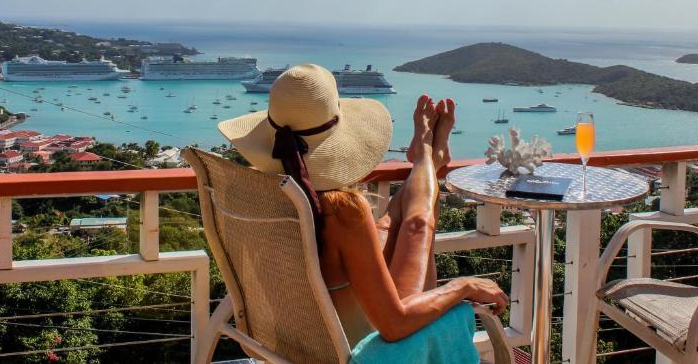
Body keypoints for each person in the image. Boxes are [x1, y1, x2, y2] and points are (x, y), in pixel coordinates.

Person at [218, 64, 508, 361]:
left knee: (387, 225)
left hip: (296, 344)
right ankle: (426, 160)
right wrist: (464, 285)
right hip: (358, 349)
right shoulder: (341, 211)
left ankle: (427, 162)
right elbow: (395, 326)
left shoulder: (258, 192)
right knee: (417, 226)